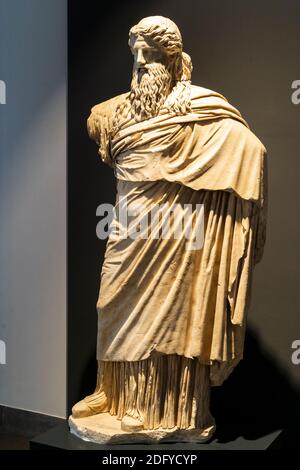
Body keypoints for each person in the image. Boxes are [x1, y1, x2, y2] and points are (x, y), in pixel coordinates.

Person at [71, 16, 267, 439]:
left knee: (170, 320)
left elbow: (248, 148)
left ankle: (164, 412)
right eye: (136, 53)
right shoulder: (112, 112)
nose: (142, 61)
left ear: (172, 57)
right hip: (129, 232)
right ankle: (114, 394)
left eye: (152, 53)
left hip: (179, 237)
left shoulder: (200, 109)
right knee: (112, 306)